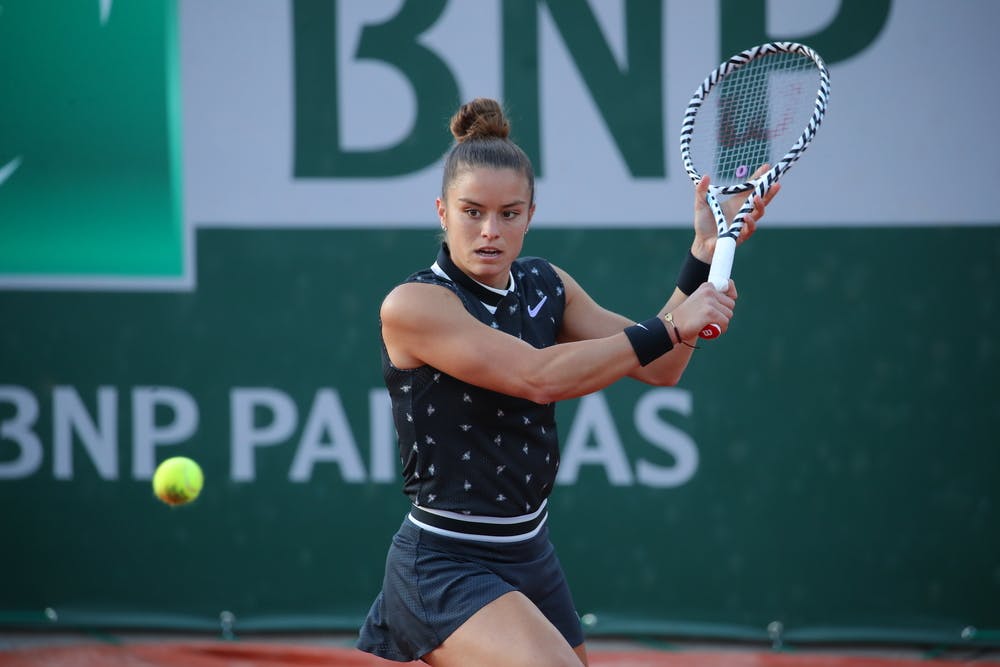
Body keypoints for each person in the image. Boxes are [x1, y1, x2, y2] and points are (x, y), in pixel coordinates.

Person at [357, 97, 779, 667]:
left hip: (529, 551)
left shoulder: (545, 284)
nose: (490, 230)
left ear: (530, 214)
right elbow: (537, 378)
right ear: (441, 211)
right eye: (471, 211)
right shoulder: (415, 305)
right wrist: (671, 325)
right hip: (444, 561)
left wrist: (703, 254)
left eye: (509, 213)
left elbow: (662, 365)